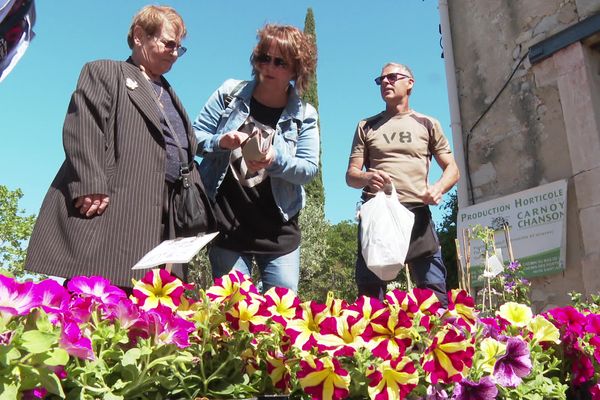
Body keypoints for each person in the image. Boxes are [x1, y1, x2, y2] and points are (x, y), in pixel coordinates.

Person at [25, 5, 201, 290]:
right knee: (93, 303)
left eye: (179, 48)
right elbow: (84, 126)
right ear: (140, 36)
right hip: (115, 210)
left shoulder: (171, 95)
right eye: (169, 44)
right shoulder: (106, 71)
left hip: (163, 219)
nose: (174, 53)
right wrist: (90, 182)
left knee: (146, 316)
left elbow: (184, 152)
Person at [193, 24, 319, 293]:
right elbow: (193, 137)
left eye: (280, 62)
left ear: (296, 70)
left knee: (282, 319)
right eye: (264, 58)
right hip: (227, 226)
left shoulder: (305, 114)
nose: (269, 67)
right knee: (234, 313)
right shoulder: (229, 93)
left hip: (279, 233)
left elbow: (308, 169)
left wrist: (275, 159)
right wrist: (220, 141)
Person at [345, 62, 460, 306]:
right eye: (381, 80)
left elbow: (452, 169)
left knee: (434, 295)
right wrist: (366, 177)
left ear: (410, 83)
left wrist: (437, 188)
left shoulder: (428, 124)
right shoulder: (366, 125)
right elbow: (351, 175)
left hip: (417, 214)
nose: (386, 82)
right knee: (370, 295)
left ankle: (436, 339)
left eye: (393, 77)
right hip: (378, 214)